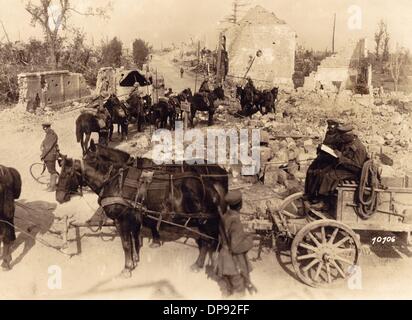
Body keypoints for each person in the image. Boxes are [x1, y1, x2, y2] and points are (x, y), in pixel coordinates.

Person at [305, 124, 369, 210]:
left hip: (353, 173)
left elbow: (357, 167)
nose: (341, 138)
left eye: (343, 136)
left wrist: (340, 157)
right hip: (344, 167)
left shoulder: (359, 147)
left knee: (329, 176)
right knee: (321, 172)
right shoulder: (347, 142)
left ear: (349, 135)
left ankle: (325, 203)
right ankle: (316, 197)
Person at [215, 190, 257, 297]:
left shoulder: (225, 216)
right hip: (233, 263)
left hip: (223, 260)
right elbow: (236, 247)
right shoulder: (235, 221)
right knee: (239, 294)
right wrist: (250, 239)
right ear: (241, 204)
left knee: (228, 291)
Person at [40, 122, 59, 192]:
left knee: (52, 171)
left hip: (50, 156)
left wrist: (43, 155)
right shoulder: (48, 135)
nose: (44, 130)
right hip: (48, 155)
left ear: (48, 128)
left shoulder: (51, 135)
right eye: (43, 129)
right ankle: (51, 185)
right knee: (51, 171)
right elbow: (44, 143)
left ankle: (53, 187)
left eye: (45, 128)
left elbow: (48, 147)